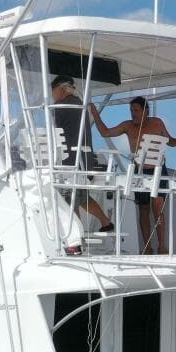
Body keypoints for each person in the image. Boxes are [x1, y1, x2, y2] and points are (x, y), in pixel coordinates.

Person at [90, 95, 176, 253]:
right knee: (143, 209)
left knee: (158, 209)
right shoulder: (127, 126)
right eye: (131, 110)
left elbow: (170, 141)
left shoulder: (157, 123)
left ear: (146, 111)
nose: (133, 113)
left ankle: (162, 246)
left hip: (158, 169)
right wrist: (95, 113)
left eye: (136, 110)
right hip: (139, 171)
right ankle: (147, 248)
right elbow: (105, 132)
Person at [48, 76, 113, 234]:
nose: (52, 96)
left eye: (53, 92)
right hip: (85, 160)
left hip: (71, 160)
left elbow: (51, 131)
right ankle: (105, 222)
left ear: (61, 89)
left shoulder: (61, 106)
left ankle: (76, 234)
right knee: (79, 196)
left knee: (70, 198)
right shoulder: (79, 103)